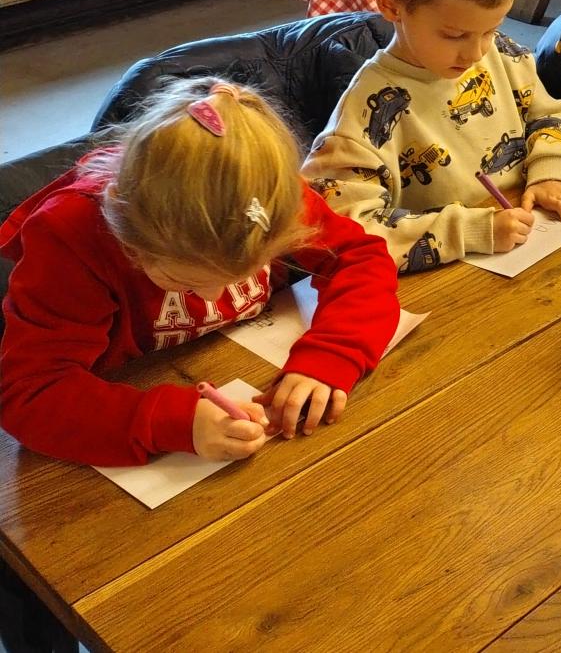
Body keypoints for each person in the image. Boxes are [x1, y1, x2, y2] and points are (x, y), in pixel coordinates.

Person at [0, 79, 401, 466]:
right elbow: (28, 392)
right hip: (125, 394)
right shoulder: (71, 238)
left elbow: (360, 257)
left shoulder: (264, 195)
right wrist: (171, 422)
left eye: (243, 273)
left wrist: (333, 354)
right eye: (186, 282)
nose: (213, 297)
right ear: (128, 233)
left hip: (231, 356)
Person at [303, 0, 561, 273]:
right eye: (454, 35)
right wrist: (468, 231)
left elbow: (549, 114)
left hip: (531, 243)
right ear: (391, 7)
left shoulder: (500, 53)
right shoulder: (363, 115)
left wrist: (551, 168)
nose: (476, 52)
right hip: (447, 277)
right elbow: (338, 232)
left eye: (491, 29)